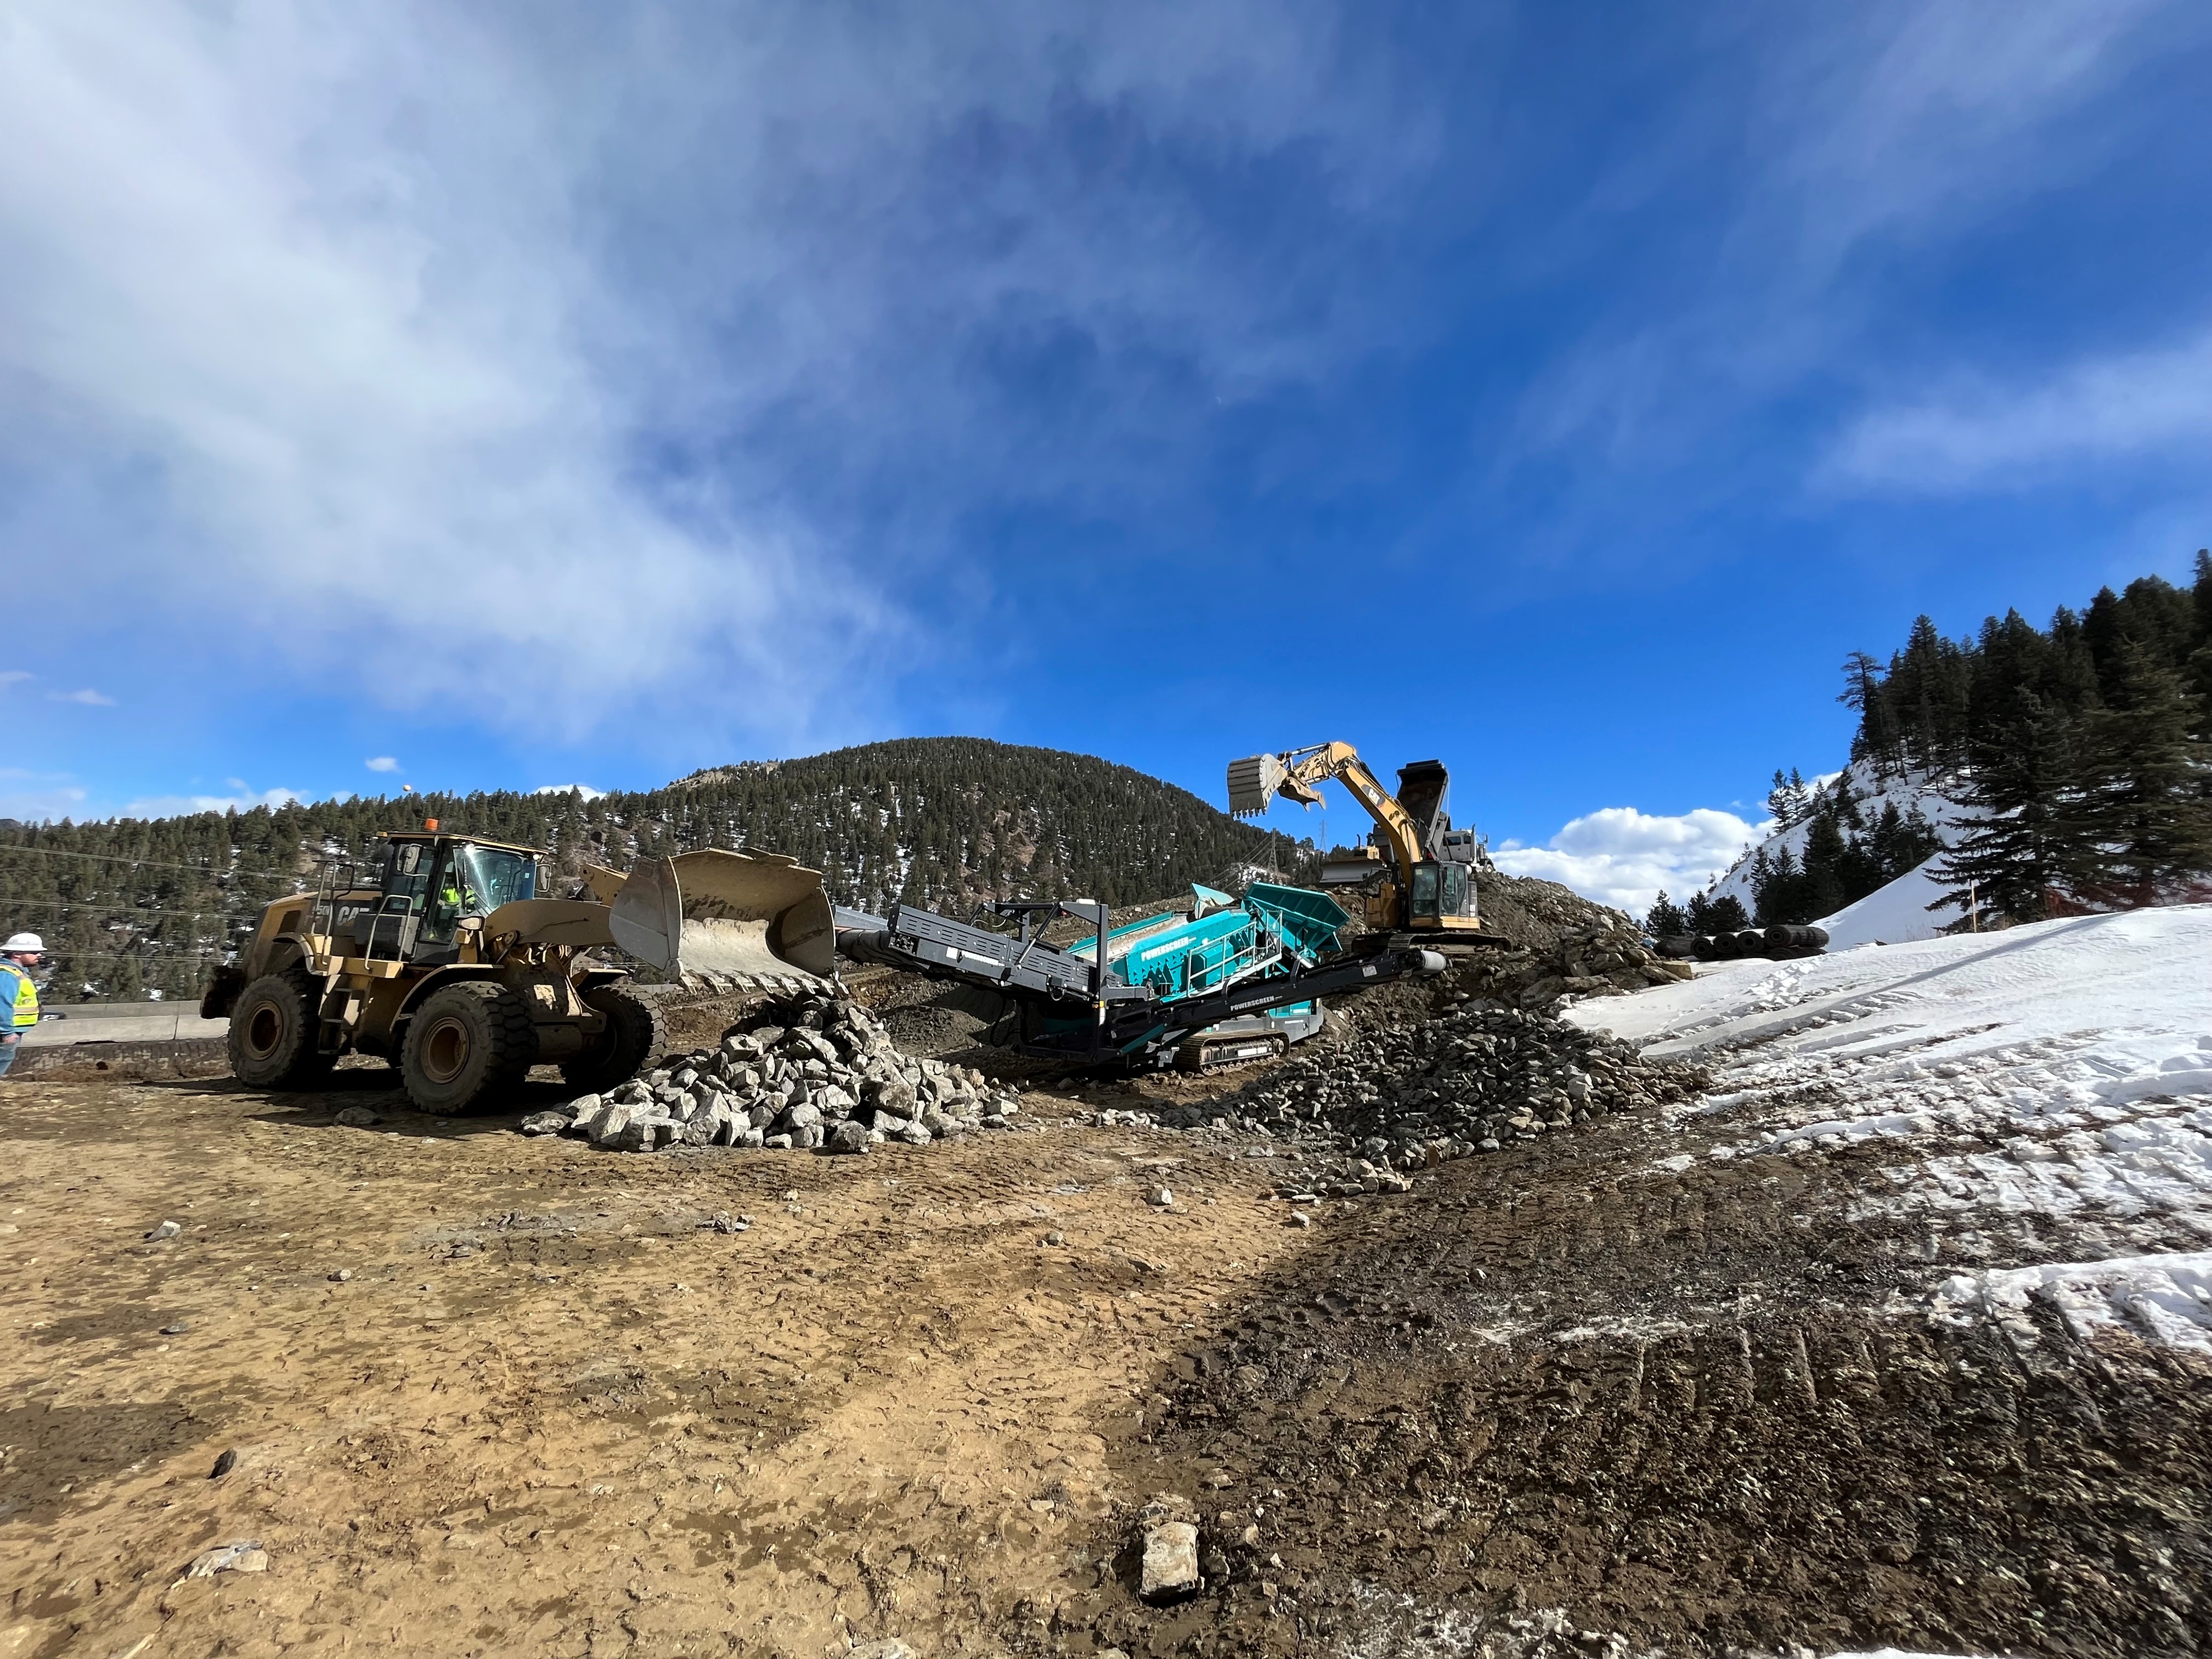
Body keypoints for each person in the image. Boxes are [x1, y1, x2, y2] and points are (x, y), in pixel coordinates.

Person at [0, 933, 43, 1077]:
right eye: (34, 952)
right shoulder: (7, 975)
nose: (39, 955)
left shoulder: (14, 973)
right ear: (17, 954)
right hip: (5, 1034)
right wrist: (7, 1033)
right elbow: (2, 1005)